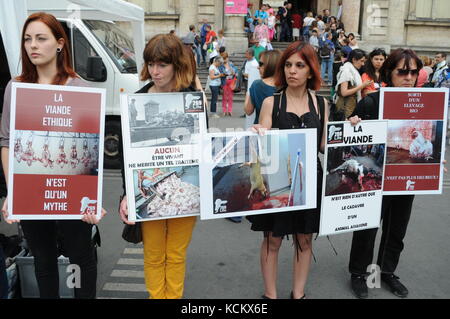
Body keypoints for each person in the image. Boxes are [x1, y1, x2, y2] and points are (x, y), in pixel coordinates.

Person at [0, 12, 106, 299]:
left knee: (80, 258)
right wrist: (13, 193)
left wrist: (94, 198)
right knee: (42, 259)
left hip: (71, 193)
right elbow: (7, 143)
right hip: (33, 191)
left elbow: (91, 151)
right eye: (27, 39)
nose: (32, 45)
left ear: (60, 44)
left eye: (41, 38)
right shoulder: (16, 88)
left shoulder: (81, 89)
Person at [347, 48, 447, 299]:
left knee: (397, 229)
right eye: (403, 71)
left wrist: (436, 159)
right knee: (368, 227)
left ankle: (387, 272)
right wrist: (353, 124)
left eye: (414, 71)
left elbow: (432, 138)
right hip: (376, 177)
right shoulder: (371, 101)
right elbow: (350, 140)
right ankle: (359, 273)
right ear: (389, 73)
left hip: (405, 179)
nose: (409, 76)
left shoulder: (425, 102)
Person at [118, 34, 199, 299]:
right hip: (149, 187)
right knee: (153, 254)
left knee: (175, 254)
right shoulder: (136, 100)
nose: (155, 71)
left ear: (176, 64)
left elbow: (203, 147)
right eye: (151, 63)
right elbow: (125, 154)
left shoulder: (191, 99)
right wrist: (126, 194)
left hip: (184, 187)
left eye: (162, 64)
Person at [249, 41, 328, 300]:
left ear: (311, 70)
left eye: (300, 65)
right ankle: (270, 295)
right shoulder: (272, 102)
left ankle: (299, 294)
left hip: (309, 180)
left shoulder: (322, 105)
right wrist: (259, 134)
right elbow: (263, 141)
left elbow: (326, 146)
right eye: (288, 65)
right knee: (273, 239)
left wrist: (354, 129)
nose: (293, 70)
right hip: (278, 180)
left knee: (304, 240)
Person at [245, 50, 281, 124]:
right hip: (283, 132)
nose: (258, 67)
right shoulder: (289, 85)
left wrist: (248, 93)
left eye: (261, 64)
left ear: (270, 65)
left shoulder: (256, 85)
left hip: (261, 129)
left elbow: (248, 110)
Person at [335, 49, 371, 119]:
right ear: (354, 59)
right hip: (345, 109)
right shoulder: (346, 71)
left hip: (351, 106)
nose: (363, 64)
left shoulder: (352, 70)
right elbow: (344, 92)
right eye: (361, 61)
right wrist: (362, 86)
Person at [243, 48, 261, 127]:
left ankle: (249, 110)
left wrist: (244, 74)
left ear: (250, 54)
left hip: (250, 82)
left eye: (246, 53)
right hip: (247, 81)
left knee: (249, 97)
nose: (245, 55)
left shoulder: (254, 63)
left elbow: (254, 74)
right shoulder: (248, 61)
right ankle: (246, 110)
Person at [221, 52, 236, 116]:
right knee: (224, 96)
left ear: (227, 58)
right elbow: (220, 73)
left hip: (231, 80)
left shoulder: (231, 64)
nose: (224, 60)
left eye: (225, 58)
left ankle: (230, 110)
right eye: (223, 58)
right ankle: (224, 110)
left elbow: (234, 73)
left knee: (230, 96)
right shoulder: (221, 65)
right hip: (224, 80)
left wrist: (230, 68)